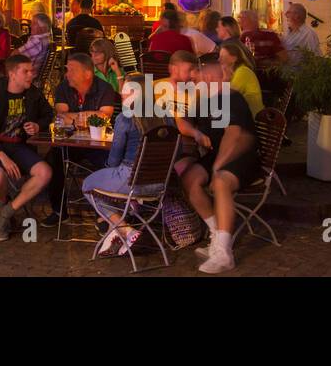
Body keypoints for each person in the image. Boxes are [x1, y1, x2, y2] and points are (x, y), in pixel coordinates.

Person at [169, 54, 261, 274]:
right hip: (218, 154)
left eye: (197, 72)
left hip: (243, 156)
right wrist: (197, 133)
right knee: (189, 179)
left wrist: (218, 165)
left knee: (220, 183)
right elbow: (181, 121)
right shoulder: (205, 99)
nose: (193, 77)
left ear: (209, 74)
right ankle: (216, 234)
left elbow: (235, 133)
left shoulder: (232, 97)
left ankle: (224, 253)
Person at [0, 54, 54, 240]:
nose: (31, 75)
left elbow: (48, 113)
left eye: (31, 71)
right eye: (25, 71)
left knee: (45, 173)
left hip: (18, 146)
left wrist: (38, 125)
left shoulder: (32, 93)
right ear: (12, 74)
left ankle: (6, 212)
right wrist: (2, 156)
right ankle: (4, 202)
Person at [82, 79, 163, 256]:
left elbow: (114, 159)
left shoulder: (125, 118)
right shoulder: (166, 116)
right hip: (160, 182)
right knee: (107, 185)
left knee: (88, 185)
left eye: (126, 90)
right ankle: (116, 232)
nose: (121, 94)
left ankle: (127, 231)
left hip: (132, 179)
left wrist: (107, 169)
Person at [46, 52, 120, 216]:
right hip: (70, 143)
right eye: (67, 70)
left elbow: (105, 117)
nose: (67, 74)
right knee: (53, 160)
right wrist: (91, 115)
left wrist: (74, 117)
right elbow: (61, 115)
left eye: (72, 70)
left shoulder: (104, 88)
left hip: (98, 144)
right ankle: (58, 212)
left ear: (87, 73)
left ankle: (107, 215)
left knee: (110, 163)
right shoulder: (63, 87)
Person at [218, 39, 264, 117]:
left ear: (234, 58)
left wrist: (225, 79)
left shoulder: (242, 72)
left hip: (252, 119)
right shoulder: (237, 71)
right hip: (245, 116)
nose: (219, 60)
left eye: (222, 57)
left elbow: (226, 100)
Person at [14, 13, 54, 82]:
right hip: (34, 75)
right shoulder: (47, 38)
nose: (30, 26)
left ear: (43, 27)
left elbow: (15, 55)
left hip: (27, 77)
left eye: (34, 23)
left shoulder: (37, 41)